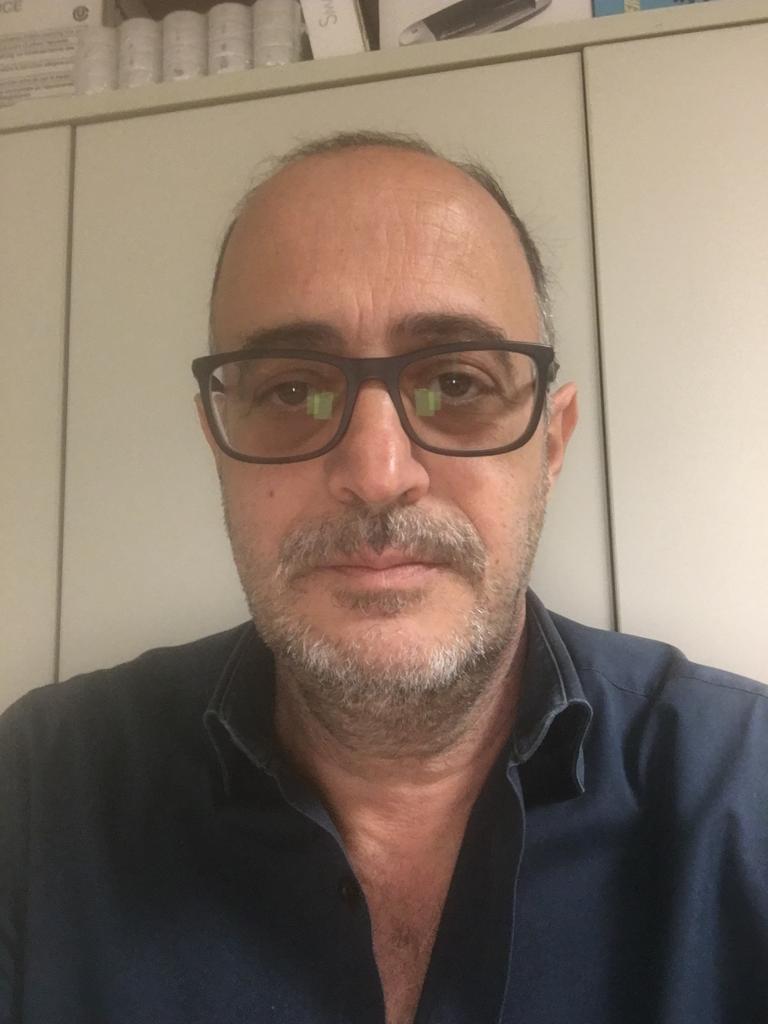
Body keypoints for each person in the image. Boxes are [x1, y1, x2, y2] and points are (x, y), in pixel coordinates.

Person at [1, 130, 766, 1024]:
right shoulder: (40, 794)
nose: (377, 472)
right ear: (219, 443)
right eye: (292, 391)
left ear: (550, 444)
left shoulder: (747, 790)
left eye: (456, 383)